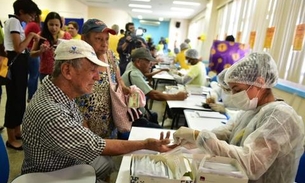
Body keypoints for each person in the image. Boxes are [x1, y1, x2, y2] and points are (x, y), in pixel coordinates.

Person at [21, 39, 175, 183]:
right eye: (92, 70)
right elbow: (98, 145)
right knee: (115, 166)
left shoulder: (54, 87)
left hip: (66, 161)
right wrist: (146, 143)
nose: (97, 77)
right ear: (67, 71)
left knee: (108, 164)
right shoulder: (51, 114)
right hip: (51, 175)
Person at [173, 52, 305, 183]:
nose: (233, 95)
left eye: (236, 90)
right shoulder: (251, 111)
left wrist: (199, 136)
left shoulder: (281, 117)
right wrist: (194, 140)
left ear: (260, 82)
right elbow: (227, 132)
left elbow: (252, 163)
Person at [76, 19, 130, 138]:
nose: (104, 43)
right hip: (85, 129)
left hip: (109, 125)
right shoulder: (77, 61)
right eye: (98, 39)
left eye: (106, 39)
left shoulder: (110, 56)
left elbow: (118, 78)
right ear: (84, 39)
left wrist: (125, 89)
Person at [3, 0, 42, 150]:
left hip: (20, 64)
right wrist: (31, 35)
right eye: (30, 15)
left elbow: (24, 50)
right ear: (21, 11)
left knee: (19, 99)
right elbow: (19, 48)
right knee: (13, 100)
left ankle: (17, 131)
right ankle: (11, 138)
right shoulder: (13, 21)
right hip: (15, 63)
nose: (32, 18)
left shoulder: (17, 23)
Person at [121, 47, 188, 105]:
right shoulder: (134, 74)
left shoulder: (133, 68)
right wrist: (176, 97)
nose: (151, 65)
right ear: (138, 62)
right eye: (148, 62)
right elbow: (154, 95)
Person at [30, 12, 71, 82]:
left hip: (62, 72)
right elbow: (31, 54)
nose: (54, 28)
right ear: (46, 24)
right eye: (51, 25)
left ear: (60, 25)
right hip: (45, 72)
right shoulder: (41, 35)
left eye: (56, 25)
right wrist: (40, 51)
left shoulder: (66, 36)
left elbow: (72, 52)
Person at [25, 13, 41, 103]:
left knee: (32, 76)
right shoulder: (35, 25)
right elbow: (39, 38)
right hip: (33, 50)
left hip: (28, 50)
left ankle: (30, 96)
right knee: (34, 76)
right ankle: (32, 97)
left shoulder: (29, 24)